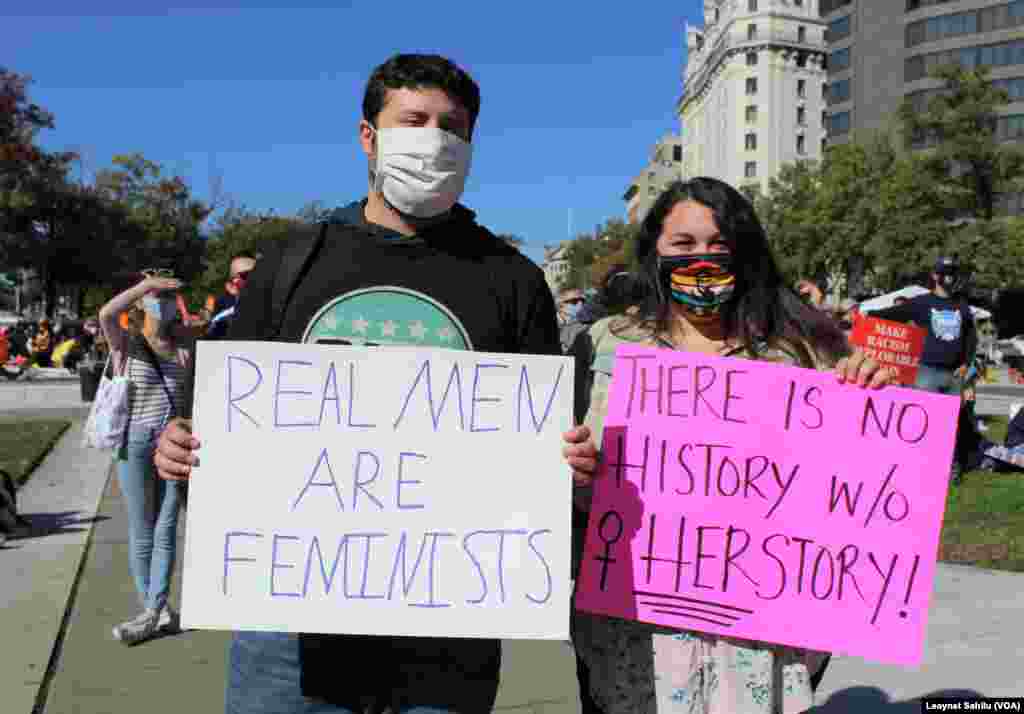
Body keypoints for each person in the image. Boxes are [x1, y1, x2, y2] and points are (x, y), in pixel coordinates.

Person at [152, 53, 561, 714]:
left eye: (453, 127)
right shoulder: (292, 262)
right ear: (368, 136)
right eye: (415, 120)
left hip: (446, 637)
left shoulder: (511, 278)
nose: (435, 140)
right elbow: (216, 417)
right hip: (289, 637)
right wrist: (180, 446)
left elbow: (550, 441)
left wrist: (565, 463)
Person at [561, 178, 896, 714]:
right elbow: (562, 468)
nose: (703, 258)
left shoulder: (799, 350)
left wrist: (868, 390)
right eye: (684, 244)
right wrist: (574, 471)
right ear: (655, 252)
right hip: (631, 630)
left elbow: (855, 484)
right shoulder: (603, 343)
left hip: (756, 634)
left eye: (720, 245)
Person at [97, 269, 197, 645]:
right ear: (140, 302)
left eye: (169, 296)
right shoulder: (127, 344)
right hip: (134, 441)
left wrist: (180, 308)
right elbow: (107, 314)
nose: (164, 302)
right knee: (142, 529)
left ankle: (152, 610)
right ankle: (156, 608)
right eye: (158, 296)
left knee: (167, 527)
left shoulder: (184, 350)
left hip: (171, 442)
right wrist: (143, 286)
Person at [869, 257, 977, 482]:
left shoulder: (962, 305)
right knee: (922, 423)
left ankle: (951, 469)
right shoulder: (922, 303)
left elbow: (970, 337)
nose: (949, 277)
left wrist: (966, 363)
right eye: (945, 272)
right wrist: (867, 315)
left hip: (953, 375)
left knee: (950, 426)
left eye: (952, 272)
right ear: (935, 276)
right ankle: (918, 468)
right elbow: (893, 314)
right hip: (925, 373)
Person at [206, 252, 258, 340]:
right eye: (245, 275)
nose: (254, 278)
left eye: (257, 274)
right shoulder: (220, 321)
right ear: (232, 285)